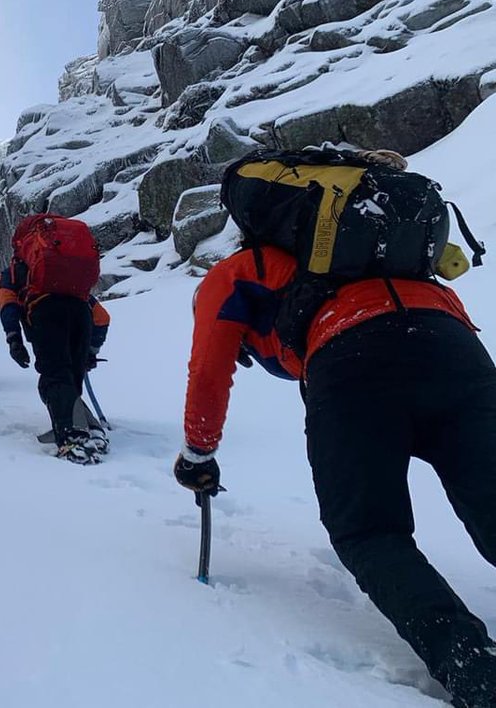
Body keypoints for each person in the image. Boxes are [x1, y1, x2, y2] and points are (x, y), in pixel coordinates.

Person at [176, 241, 496, 707]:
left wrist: (197, 452)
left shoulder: (232, 274)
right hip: (453, 344)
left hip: (352, 356)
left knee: (369, 531)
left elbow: (208, 367)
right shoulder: (374, 247)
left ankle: (476, 670)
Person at [0, 245, 110, 465]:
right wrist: (90, 351)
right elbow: (102, 317)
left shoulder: (13, 272)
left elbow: (8, 305)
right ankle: (91, 429)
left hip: (44, 313)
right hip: (81, 315)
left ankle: (73, 437)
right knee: (68, 380)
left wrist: (14, 339)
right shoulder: (68, 279)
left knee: (53, 378)